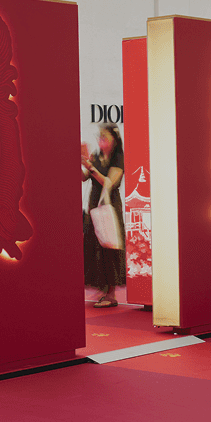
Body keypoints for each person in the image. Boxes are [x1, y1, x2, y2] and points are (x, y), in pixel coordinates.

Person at [81, 123, 126, 308]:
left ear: (114, 140)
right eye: (99, 137)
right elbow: (84, 177)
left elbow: (109, 183)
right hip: (94, 206)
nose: (101, 141)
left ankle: (111, 294)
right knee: (93, 247)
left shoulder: (118, 159)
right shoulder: (98, 156)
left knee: (109, 248)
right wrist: (84, 163)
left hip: (108, 208)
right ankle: (102, 288)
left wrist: (91, 168)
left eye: (104, 137)